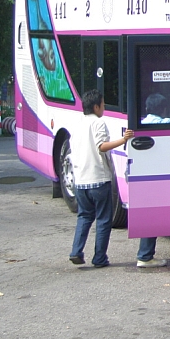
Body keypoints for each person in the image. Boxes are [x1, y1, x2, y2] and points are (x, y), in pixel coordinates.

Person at [69, 89, 132, 268]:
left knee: (84, 216)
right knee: (104, 219)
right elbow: (102, 146)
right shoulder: (98, 123)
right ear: (96, 106)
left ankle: (76, 251)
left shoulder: (77, 123)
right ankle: (99, 258)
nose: (103, 108)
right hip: (98, 178)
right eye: (103, 105)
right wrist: (123, 140)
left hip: (80, 179)